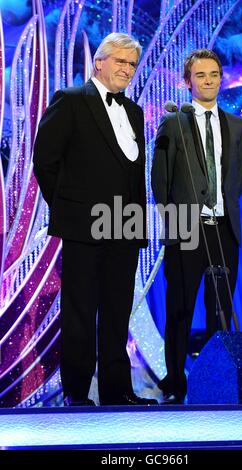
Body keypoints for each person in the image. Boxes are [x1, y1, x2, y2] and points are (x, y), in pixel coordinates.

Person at [33, 33, 157, 406]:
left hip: (125, 226)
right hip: (83, 227)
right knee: (81, 312)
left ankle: (118, 390)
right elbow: (45, 161)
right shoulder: (71, 101)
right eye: (120, 61)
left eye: (132, 64)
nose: (127, 69)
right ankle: (77, 393)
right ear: (98, 63)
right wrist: (70, 209)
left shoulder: (133, 111)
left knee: (118, 312)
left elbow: (133, 176)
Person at [151, 49, 242, 404]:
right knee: (180, 308)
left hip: (223, 228)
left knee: (220, 310)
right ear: (187, 81)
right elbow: (160, 180)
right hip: (186, 229)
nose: (208, 81)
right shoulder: (174, 122)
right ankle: (175, 381)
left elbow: (236, 180)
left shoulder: (236, 126)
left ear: (222, 78)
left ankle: (215, 380)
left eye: (214, 74)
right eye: (201, 75)